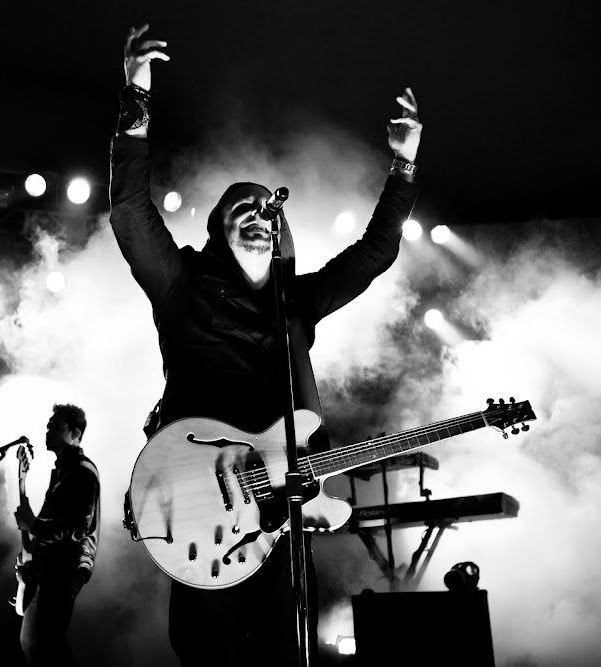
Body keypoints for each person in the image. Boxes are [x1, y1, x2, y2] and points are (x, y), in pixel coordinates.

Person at [109, 23, 423, 667]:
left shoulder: (297, 302)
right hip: (202, 499)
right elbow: (129, 211)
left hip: (279, 511)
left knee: (286, 648)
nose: (259, 215)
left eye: (267, 210)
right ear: (218, 228)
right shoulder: (181, 284)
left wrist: (404, 166)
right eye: (242, 209)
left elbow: (374, 252)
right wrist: (136, 93)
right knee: (211, 652)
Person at [14, 404, 101, 667]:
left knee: (43, 647)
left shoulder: (82, 473)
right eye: (48, 426)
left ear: (75, 433)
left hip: (60, 574)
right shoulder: (64, 471)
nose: (47, 431)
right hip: (48, 571)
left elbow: (78, 528)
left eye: (54, 427)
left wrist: (34, 526)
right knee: (37, 645)